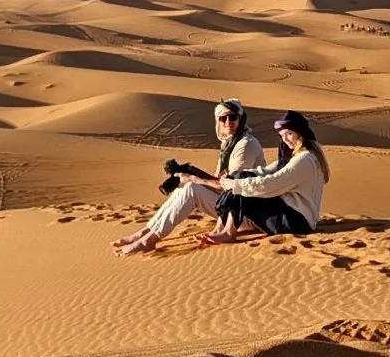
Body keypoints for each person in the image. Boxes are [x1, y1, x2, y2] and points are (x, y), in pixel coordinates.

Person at [112, 99, 265, 255]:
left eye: (232, 117)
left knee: (192, 188)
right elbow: (218, 180)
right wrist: (191, 172)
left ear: (241, 118)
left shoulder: (246, 145)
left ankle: (149, 241)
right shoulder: (229, 144)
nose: (228, 122)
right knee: (185, 186)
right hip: (231, 209)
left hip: (245, 215)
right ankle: (145, 232)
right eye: (222, 118)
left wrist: (193, 178)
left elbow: (230, 187)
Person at [202, 110, 330, 244]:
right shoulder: (303, 156)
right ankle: (221, 230)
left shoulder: (303, 160)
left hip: (295, 222)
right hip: (296, 218)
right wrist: (234, 177)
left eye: (289, 134)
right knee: (242, 177)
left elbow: (272, 184)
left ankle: (228, 233)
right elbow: (267, 171)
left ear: (300, 132)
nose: (285, 139)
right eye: (282, 135)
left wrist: (235, 184)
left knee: (244, 186)